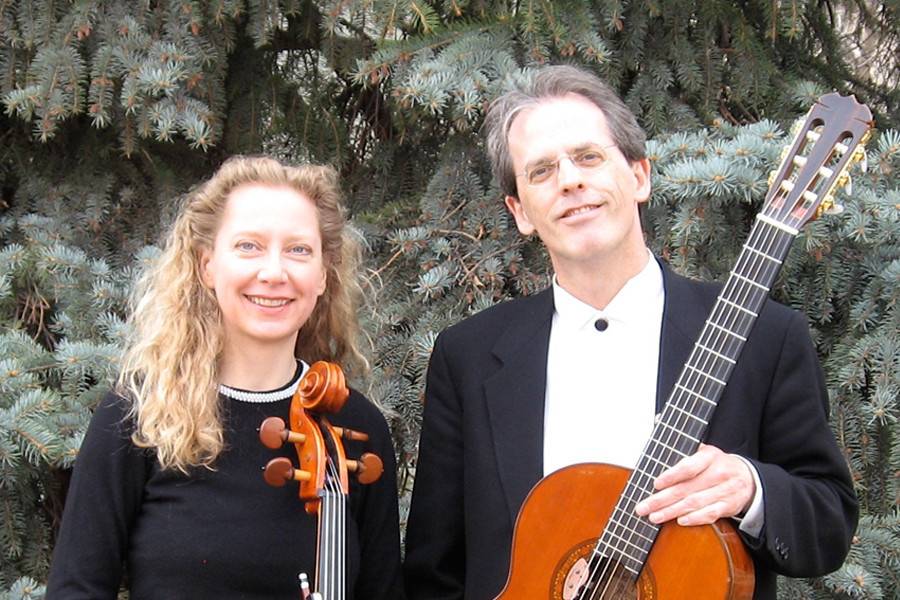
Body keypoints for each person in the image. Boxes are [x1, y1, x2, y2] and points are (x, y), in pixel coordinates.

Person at [403, 65, 857, 600]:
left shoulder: (764, 333)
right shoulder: (469, 356)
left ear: (639, 175)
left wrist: (750, 489)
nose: (570, 180)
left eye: (589, 157)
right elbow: (433, 572)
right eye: (542, 170)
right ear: (520, 211)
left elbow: (827, 523)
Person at [47, 156, 405, 599]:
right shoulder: (141, 413)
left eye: (298, 250)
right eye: (249, 246)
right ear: (207, 266)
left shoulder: (356, 425)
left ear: (321, 276)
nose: (274, 272)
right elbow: (76, 589)